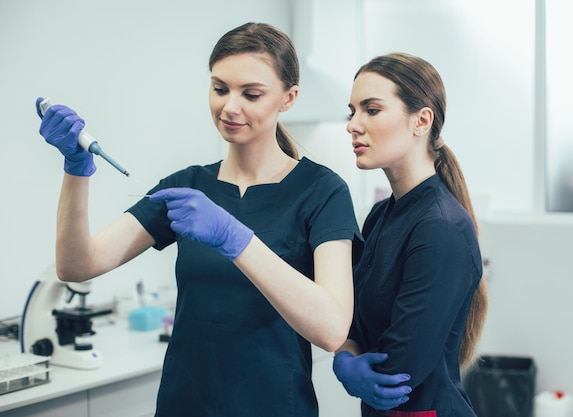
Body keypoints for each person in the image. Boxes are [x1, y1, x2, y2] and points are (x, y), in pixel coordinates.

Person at [35, 22, 361, 417]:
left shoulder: (321, 191)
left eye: (251, 94)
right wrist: (76, 169)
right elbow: (77, 265)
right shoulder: (189, 186)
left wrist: (234, 237)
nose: (230, 107)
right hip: (184, 404)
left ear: (288, 98)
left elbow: (331, 329)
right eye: (220, 88)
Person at [332, 52, 489, 417]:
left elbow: (400, 372)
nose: (353, 125)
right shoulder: (379, 216)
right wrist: (344, 357)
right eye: (351, 112)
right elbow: (346, 320)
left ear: (421, 121)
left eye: (371, 110)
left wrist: (350, 357)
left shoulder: (441, 227)